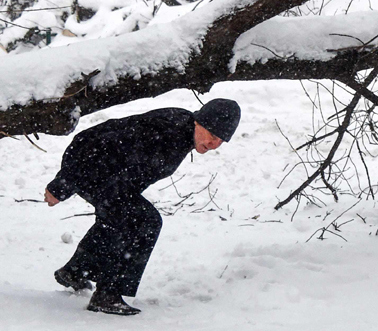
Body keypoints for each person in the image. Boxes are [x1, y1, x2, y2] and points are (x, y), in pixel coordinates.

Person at [43, 98, 241, 316]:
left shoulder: (184, 132)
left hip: (111, 177)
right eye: (212, 135)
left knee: (120, 217)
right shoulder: (167, 131)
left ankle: (75, 271)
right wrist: (62, 185)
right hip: (91, 166)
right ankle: (107, 294)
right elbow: (100, 144)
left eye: (221, 141)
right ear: (199, 122)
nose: (214, 144)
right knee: (142, 220)